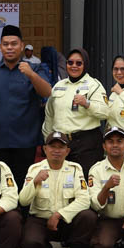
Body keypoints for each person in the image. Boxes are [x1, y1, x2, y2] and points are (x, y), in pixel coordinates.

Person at [0, 25, 52, 173]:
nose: (10, 47)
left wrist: (31, 74)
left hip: (26, 141)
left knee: (22, 183)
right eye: (6, 44)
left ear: (22, 46)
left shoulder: (34, 68)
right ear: (0, 47)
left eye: (14, 44)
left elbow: (47, 92)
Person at [17, 131, 96, 248]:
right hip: (41, 220)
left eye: (61, 147)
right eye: (52, 146)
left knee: (88, 216)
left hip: (66, 221)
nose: (56, 151)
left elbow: (84, 200)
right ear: (45, 149)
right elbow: (23, 201)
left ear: (67, 151)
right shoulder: (35, 169)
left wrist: (59, 215)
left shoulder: (75, 169)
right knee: (30, 244)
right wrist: (35, 182)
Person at [42, 48, 108, 176]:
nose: (74, 66)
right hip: (60, 143)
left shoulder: (94, 85)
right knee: (61, 181)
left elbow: (105, 112)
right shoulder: (58, 86)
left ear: (85, 65)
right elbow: (49, 116)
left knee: (85, 181)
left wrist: (87, 104)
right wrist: (49, 141)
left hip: (86, 144)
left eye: (79, 63)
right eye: (70, 62)